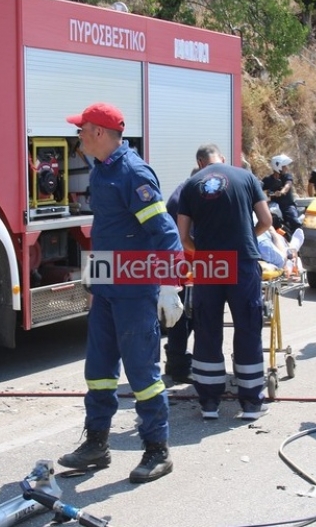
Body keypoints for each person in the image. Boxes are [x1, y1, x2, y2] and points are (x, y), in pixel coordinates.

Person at [58, 102, 184, 483]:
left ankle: (157, 451)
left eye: (82, 129)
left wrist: (168, 286)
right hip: (108, 290)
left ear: (99, 132)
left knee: (143, 373)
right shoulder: (103, 172)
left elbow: (165, 233)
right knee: (98, 372)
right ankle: (96, 444)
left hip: (134, 291)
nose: (77, 135)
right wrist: (95, 284)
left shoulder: (132, 173)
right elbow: (106, 235)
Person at [178, 144, 273, 420]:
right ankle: (252, 404)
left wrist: (206, 253)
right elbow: (266, 220)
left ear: (200, 162)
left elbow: (184, 237)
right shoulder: (246, 177)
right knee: (247, 326)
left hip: (209, 263)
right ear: (222, 158)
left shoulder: (190, 185)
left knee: (207, 328)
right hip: (242, 259)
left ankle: (209, 403)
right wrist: (247, 240)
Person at [163, 167, 201, 384]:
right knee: (184, 318)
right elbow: (186, 236)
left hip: (181, 264)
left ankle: (174, 361)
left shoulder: (182, 192)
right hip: (183, 265)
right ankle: (179, 367)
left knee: (184, 318)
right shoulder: (185, 197)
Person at [262, 154, 301, 233]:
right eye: (284, 166)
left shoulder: (287, 176)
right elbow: (259, 186)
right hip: (274, 205)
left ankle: (296, 239)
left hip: (287, 205)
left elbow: (288, 185)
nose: (286, 168)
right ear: (278, 166)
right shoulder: (268, 179)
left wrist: (282, 192)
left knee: (295, 222)